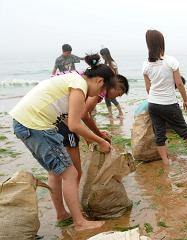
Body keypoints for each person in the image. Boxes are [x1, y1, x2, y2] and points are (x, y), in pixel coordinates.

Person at [10, 54, 115, 231]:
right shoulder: (79, 85)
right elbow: (74, 125)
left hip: (24, 122)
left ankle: (62, 214)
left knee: (56, 171)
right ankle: (80, 222)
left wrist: (93, 137)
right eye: (102, 90)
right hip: (35, 125)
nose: (99, 95)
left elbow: (68, 120)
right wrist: (100, 141)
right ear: (99, 81)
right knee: (70, 173)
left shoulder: (72, 80)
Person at [142, 29, 187, 166]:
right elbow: (179, 84)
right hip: (169, 103)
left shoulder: (146, 65)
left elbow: (148, 88)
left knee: (159, 134)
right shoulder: (171, 61)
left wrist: (155, 99)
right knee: (183, 129)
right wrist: (185, 100)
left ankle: (165, 161)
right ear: (161, 43)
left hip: (153, 103)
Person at [61, 73, 129, 182]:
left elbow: (84, 115)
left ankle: (81, 180)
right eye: (120, 92)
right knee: (73, 167)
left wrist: (96, 135)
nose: (119, 96)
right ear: (115, 86)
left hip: (64, 117)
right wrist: (99, 136)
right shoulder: (99, 92)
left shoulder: (95, 90)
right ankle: (77, 184)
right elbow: (84, 115)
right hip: (62, 119)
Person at [100, 48, 124, 118]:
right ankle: (110, 114)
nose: (102, 56)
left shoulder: (112, 63)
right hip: (107, 84)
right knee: (107, 98)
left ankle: (120, 112)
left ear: (105, 55)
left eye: (102, 55)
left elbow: (116, 74)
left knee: (112, 98)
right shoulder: (105, 63)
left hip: (111, 84)